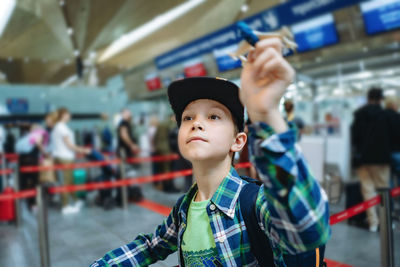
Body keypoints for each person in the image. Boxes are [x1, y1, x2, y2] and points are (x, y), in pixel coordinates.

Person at [91, 37, 330, 266]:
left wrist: (267, 114)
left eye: (214, 116)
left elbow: (305, 232)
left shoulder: (254, 204)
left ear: (238, 141)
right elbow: (151, 246)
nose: (196, 123)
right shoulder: (184, 209)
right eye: (188, 117)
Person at [351, 88, 392, 232]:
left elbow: (354, 138)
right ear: (380, 99)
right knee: (384, 191)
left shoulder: (359, 114)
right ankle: (384, 221)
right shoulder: (386, 115)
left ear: (368, 98)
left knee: (368, 191)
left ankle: (373, 223)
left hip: (363, 159)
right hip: (382, 159)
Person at [51, 108, 91, 214]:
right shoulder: (61, 127)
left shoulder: (58, 127)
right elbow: (69, 145)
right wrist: (83, 150)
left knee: (70, 181)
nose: (69, 115)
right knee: (66, 182)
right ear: (63, 115)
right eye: (68, 114)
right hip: (65, 157)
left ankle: (76, 200)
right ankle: (65, 206)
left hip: (62, 156)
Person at [385, 97, 400, 187]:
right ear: (394, 105)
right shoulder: (398, 117)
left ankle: (388, 200)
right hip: (397, 151)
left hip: (385, 153)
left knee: (388, 179)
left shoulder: (380, 117)